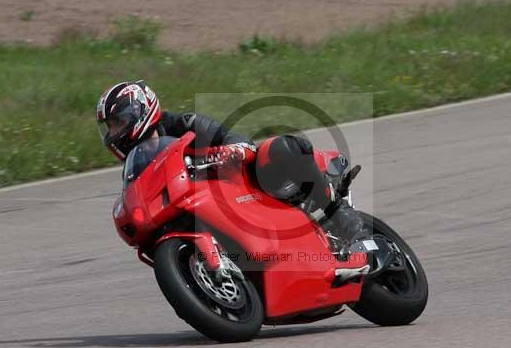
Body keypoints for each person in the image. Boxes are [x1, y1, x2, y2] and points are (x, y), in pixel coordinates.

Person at [95, 80, 365, 247]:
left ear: (140, 112)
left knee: (277, 148)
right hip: (210, 208)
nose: (114, 133)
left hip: (243, 184)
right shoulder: (139, 163)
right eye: (110, 126)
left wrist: (232, 150)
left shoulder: (184, 124)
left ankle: (335, 212)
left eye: (118, 122)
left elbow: (234, 140)